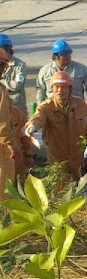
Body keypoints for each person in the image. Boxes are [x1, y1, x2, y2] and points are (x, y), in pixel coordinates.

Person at [26, 71, 87, 178]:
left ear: (70, 89)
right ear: (52, 89)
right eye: (56, 87)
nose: (59, 91)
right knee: (60, 188)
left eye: (63, 87)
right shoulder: (46, 107)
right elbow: (38, 117)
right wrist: (32, 126)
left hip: (78, 157)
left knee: (81, 188)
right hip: (57, 159)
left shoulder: (79, 104)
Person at [36, 40, 87, 110]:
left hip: (76, 109)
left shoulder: (81, 69)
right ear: (56, 56)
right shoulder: (45, 71)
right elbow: (40, 91)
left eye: (69, 54)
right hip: (53, 111)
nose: (68, 57)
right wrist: (40, 107)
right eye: (64, 54)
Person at [0, 47, 30, 190]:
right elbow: (3, 124)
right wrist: (12, 146)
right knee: (5, 191)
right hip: (3, 149)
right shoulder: (1, 92)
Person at [0, 34, 28, 114]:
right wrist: (9, 83)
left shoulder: (20, 65)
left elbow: (17, 85)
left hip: (17, 108)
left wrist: (2, 82)